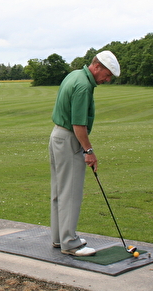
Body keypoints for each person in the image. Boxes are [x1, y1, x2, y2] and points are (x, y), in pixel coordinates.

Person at [49, 50, 120, 257]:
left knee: (59, 192)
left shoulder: (74, 75)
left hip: (57, 136)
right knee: (70, 193)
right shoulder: (83, 86)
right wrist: (89, 151)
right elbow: (78, 124)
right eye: (107, 75)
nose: (107, 80)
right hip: (70, 139)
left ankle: (59, 237)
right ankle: (70, 242)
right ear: (96, 66)